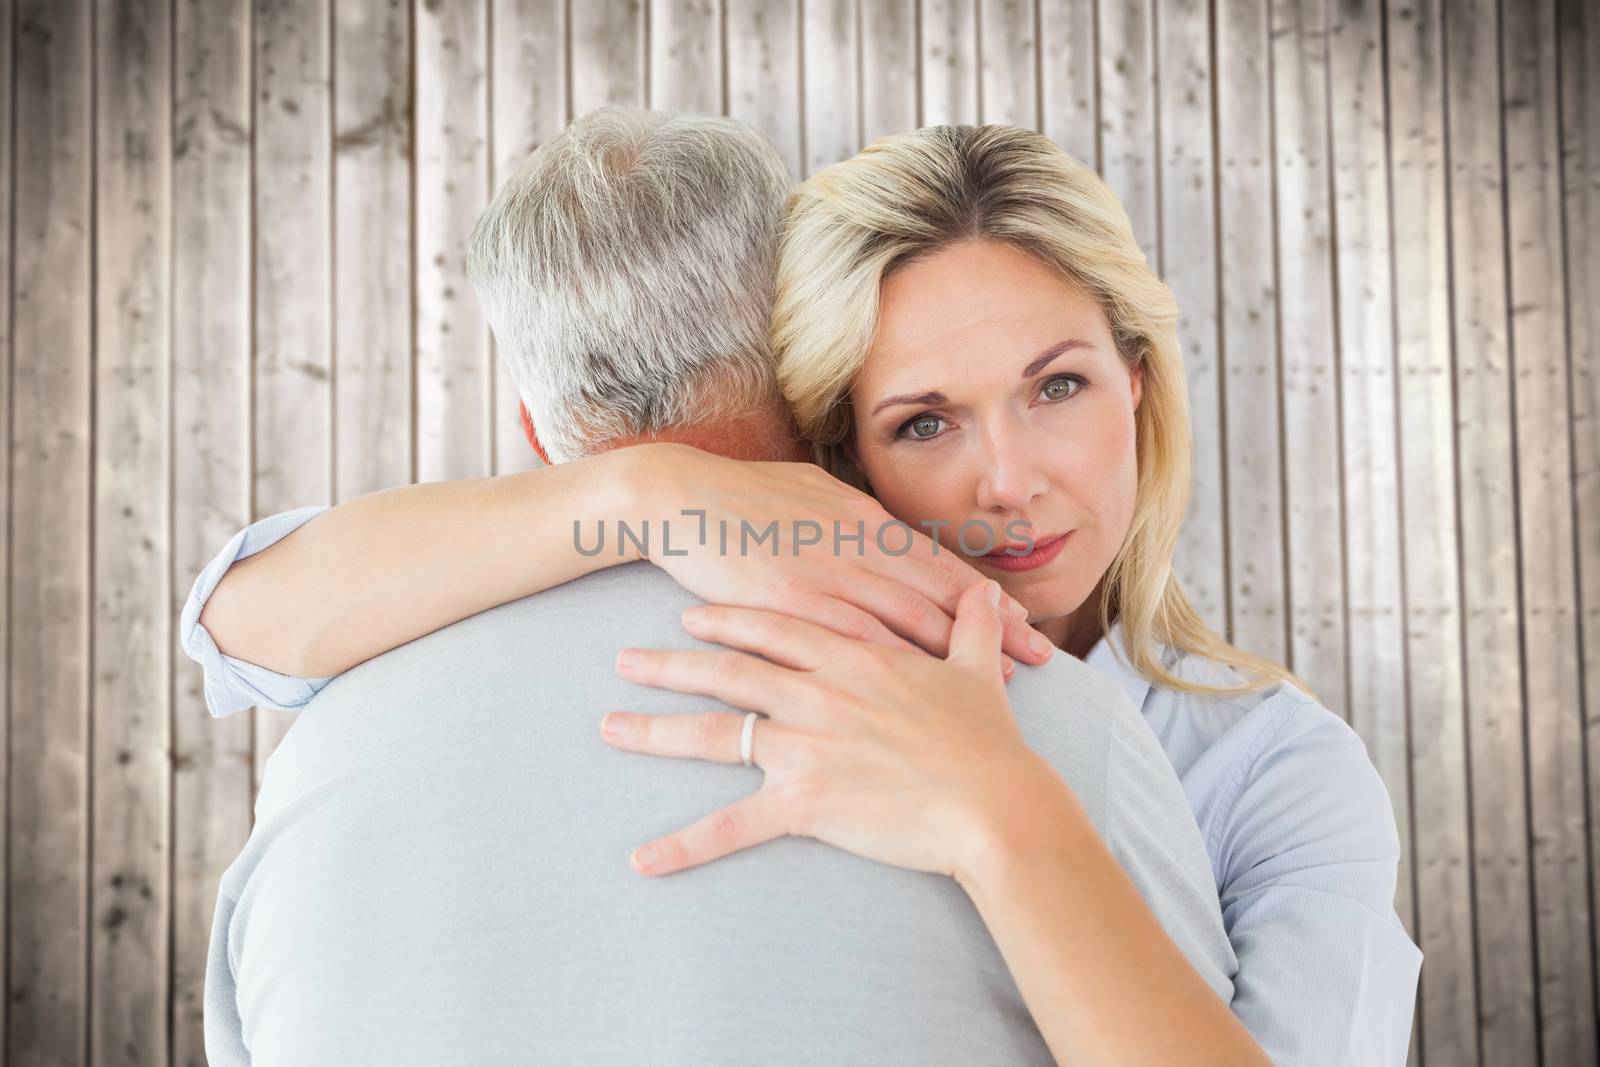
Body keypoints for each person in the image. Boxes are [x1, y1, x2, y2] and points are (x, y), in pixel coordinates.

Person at [189, 109, 1250, 1066]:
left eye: (1057, 386)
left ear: (529, 421)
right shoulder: (1038, 711)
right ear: (816, 369)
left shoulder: (324, 753)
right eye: (927, 416)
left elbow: (227, 622)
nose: (1009, 481)